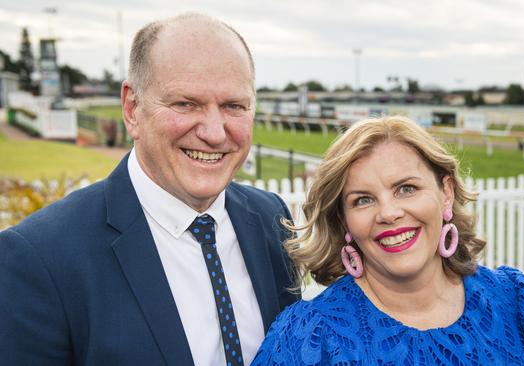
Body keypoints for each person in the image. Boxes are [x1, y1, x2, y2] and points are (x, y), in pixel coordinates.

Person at [0, 13, 299, 366]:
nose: (215, 133)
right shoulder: (39, 257)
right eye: (186, 103)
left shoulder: (271, 218)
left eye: (234, 106)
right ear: (131, 108)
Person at [253, 116, 524, 365]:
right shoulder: (307, 336)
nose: (389, 213)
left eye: (406, 188)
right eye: (363, 200)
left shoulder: (517, 303)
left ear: (446, 194)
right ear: (344, 221)